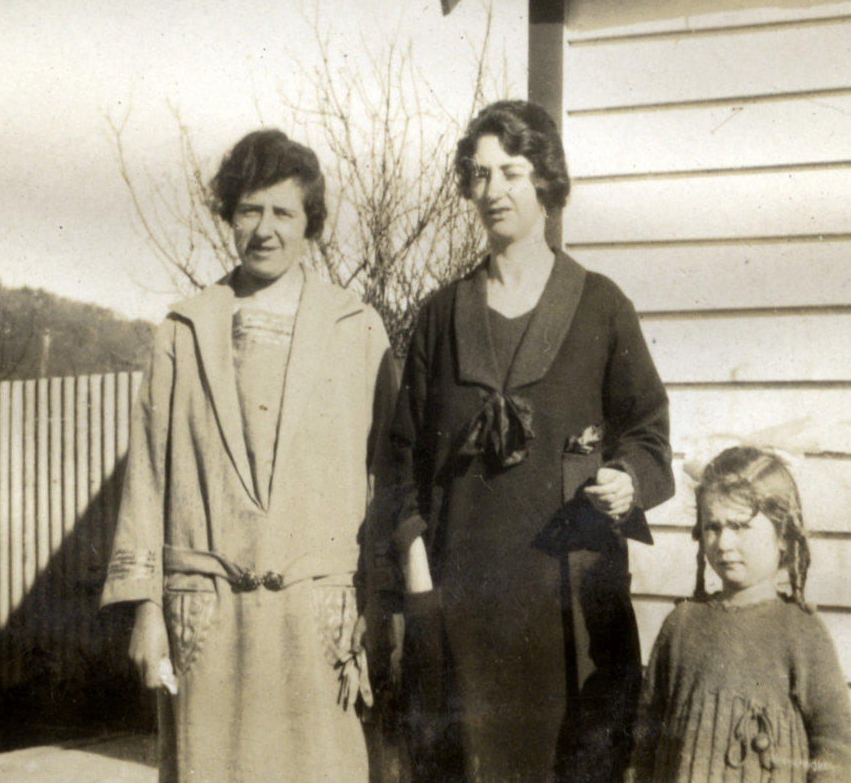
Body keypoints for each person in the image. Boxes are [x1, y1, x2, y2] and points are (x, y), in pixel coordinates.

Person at [380, 99, 673, 783]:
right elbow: (399, 465)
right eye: (480, 174)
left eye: (510, 172)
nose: (493, 191)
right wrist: (419, 578)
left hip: (571, 614)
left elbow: (648, 434)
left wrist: (628, 478)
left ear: (544, 179)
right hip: (459, 613)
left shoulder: (601, 306)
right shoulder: (439, 318)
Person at [103, 128, 395, 783]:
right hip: (208, 619)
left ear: (310, 221)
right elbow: (147, 476)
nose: (265, 230)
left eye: (283, 212)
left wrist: (381, 611)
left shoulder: (356, 328)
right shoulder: (182, 331)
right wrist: (146, 610)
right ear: (229, 216)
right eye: (249, 210)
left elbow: (391, 477)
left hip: (320, 621)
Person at [631, 446, 851, 783]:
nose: (723, 543)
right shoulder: (681, 625)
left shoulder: (801, 631)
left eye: (740, 526)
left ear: (782, 534)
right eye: (713, 527)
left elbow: (833, 745)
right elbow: (646, 735)